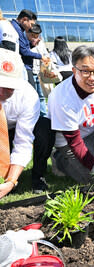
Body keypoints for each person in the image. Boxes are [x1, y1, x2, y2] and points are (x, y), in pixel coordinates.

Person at [48, 46, 94, 184]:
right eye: (85, 71)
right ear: (74, 71)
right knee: (92, 180)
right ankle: (59, 158)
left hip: (90, 131)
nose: (92, 77)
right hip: (67, 142)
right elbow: (73, 141)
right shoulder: (61, 97)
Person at [0, 48, 40, 199]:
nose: (2, 92)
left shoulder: (28, 96)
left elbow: (23, 142)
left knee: (43, 131)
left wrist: (11, 181)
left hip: (12, 126)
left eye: (9, 87)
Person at [11, 9, 49, 87]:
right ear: (24, 19)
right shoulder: (16, 29)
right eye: (31, 24)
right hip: (22, 67)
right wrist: (41, 56)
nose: (31, 27)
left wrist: (32, 45)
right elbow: (24, 51)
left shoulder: (19, 30)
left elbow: (22, 48)